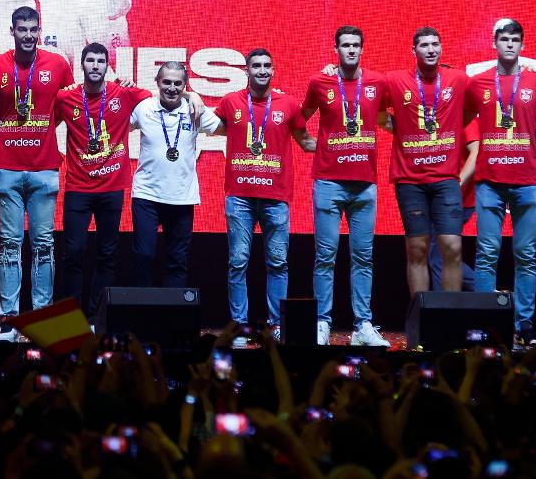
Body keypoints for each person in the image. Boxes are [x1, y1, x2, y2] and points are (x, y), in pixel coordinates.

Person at [0, 6, 74, 341]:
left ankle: (43, 321)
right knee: (8, 244)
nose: (29, 35)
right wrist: (7, 132)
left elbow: (64, 109)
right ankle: (9, 320)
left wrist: (42, 130)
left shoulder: (58, 64)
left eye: (34, 29)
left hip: (45, 169)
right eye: (22, 29)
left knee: (44, 245)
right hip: (6, 168)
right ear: (12, 31)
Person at [465, 18, 536, 347]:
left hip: (528, 180)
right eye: (503, 39)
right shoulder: (477, 84)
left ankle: (524, 323)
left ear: (522, 44)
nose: (509, 44)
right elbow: (458, 120)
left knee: (526, 254)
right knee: (487, 253)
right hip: (489, 180)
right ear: (494, 42)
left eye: (515, 39)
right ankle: (486, 324)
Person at [209, 48, 310, 348]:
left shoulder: (289, 104)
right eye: (257, 66)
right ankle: (239, 327)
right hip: (239, 196)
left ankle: (277, 325)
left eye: (267, 65)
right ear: (247, 70)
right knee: (238, 262)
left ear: (273, 69)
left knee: (277, 263)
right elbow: (210, 127)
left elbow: (306, 142)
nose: (262, 70)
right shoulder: (230, 102)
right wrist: (190, 101)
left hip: (275, 196)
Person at [300, 26, 390, 347]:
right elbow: (300, 118)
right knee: (326, 256)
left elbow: (384, 118)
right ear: (335, 49)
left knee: (363, 257)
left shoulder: (377, 83)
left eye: (355, 45)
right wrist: (309, 144)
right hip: (328, 182)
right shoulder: (320, 82)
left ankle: (363, 326)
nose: (350, 50)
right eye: (345, 45)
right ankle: (322, 323)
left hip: (365, 185)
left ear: (362, 49)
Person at [54, 43, 151, 321]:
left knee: (107, 254)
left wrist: (192, 98)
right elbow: (45, 122)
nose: (95, 66)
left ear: (108, 66)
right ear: (81, 65)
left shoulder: (124, 93)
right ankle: (70, 319)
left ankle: (96, 318)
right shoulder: (66, 98)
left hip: (111, 188)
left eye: (100, 61)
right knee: (73, 252)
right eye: (90, 61)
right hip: (78, 188)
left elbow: (156, 96)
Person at [382, 26, 470, 295]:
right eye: (424, 45)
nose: (431, 49)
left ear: (441, 48)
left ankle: (450, 319)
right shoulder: (396, 80)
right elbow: (369, 103)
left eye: (435, 44)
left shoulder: (458, 79)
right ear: (414, 50)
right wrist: (399, 127)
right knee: (417, 249)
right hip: (410, 180)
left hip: (445, 178)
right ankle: (420, 319)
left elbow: (485, 97)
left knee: (452, 246)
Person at [128, 61, 216, 288]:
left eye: (178, 84)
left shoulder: (194, 109)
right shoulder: (144, 108)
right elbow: (113, 122)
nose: (171, 88)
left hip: (182, 197)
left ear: (185, 85)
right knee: (143, 256)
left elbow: (225, 128)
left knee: (177, 262)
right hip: (146, 195)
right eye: (166, 82)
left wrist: (193, 97)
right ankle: (142, 317)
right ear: (157, 82)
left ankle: (171, 321)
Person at [430, 118, 479, 291]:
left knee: (439, 257)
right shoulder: (435, 115)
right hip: (438, 197)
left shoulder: (464, 116)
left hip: (458, 199)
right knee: (438, 256)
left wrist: (455, 185)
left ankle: (486, 290)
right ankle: (486, 290)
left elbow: (476, 153)